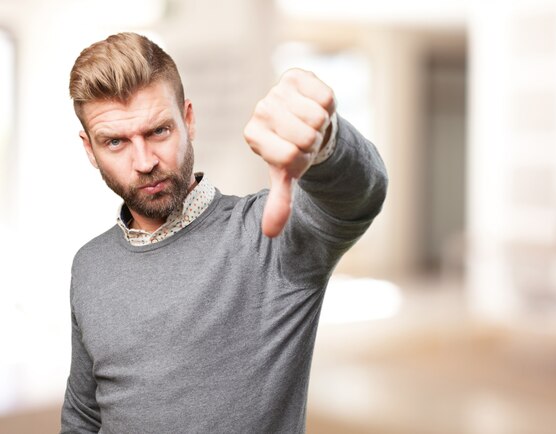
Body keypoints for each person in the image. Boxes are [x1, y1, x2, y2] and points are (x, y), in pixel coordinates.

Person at [61, 32, 387, 433]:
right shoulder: (90, 265)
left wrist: (328, 143)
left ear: (189, 120)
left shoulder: (267, 236)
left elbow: (359, 195)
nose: (144, 161)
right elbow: (83, 415)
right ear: (90, 150)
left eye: (158, 131)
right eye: (115, 142)